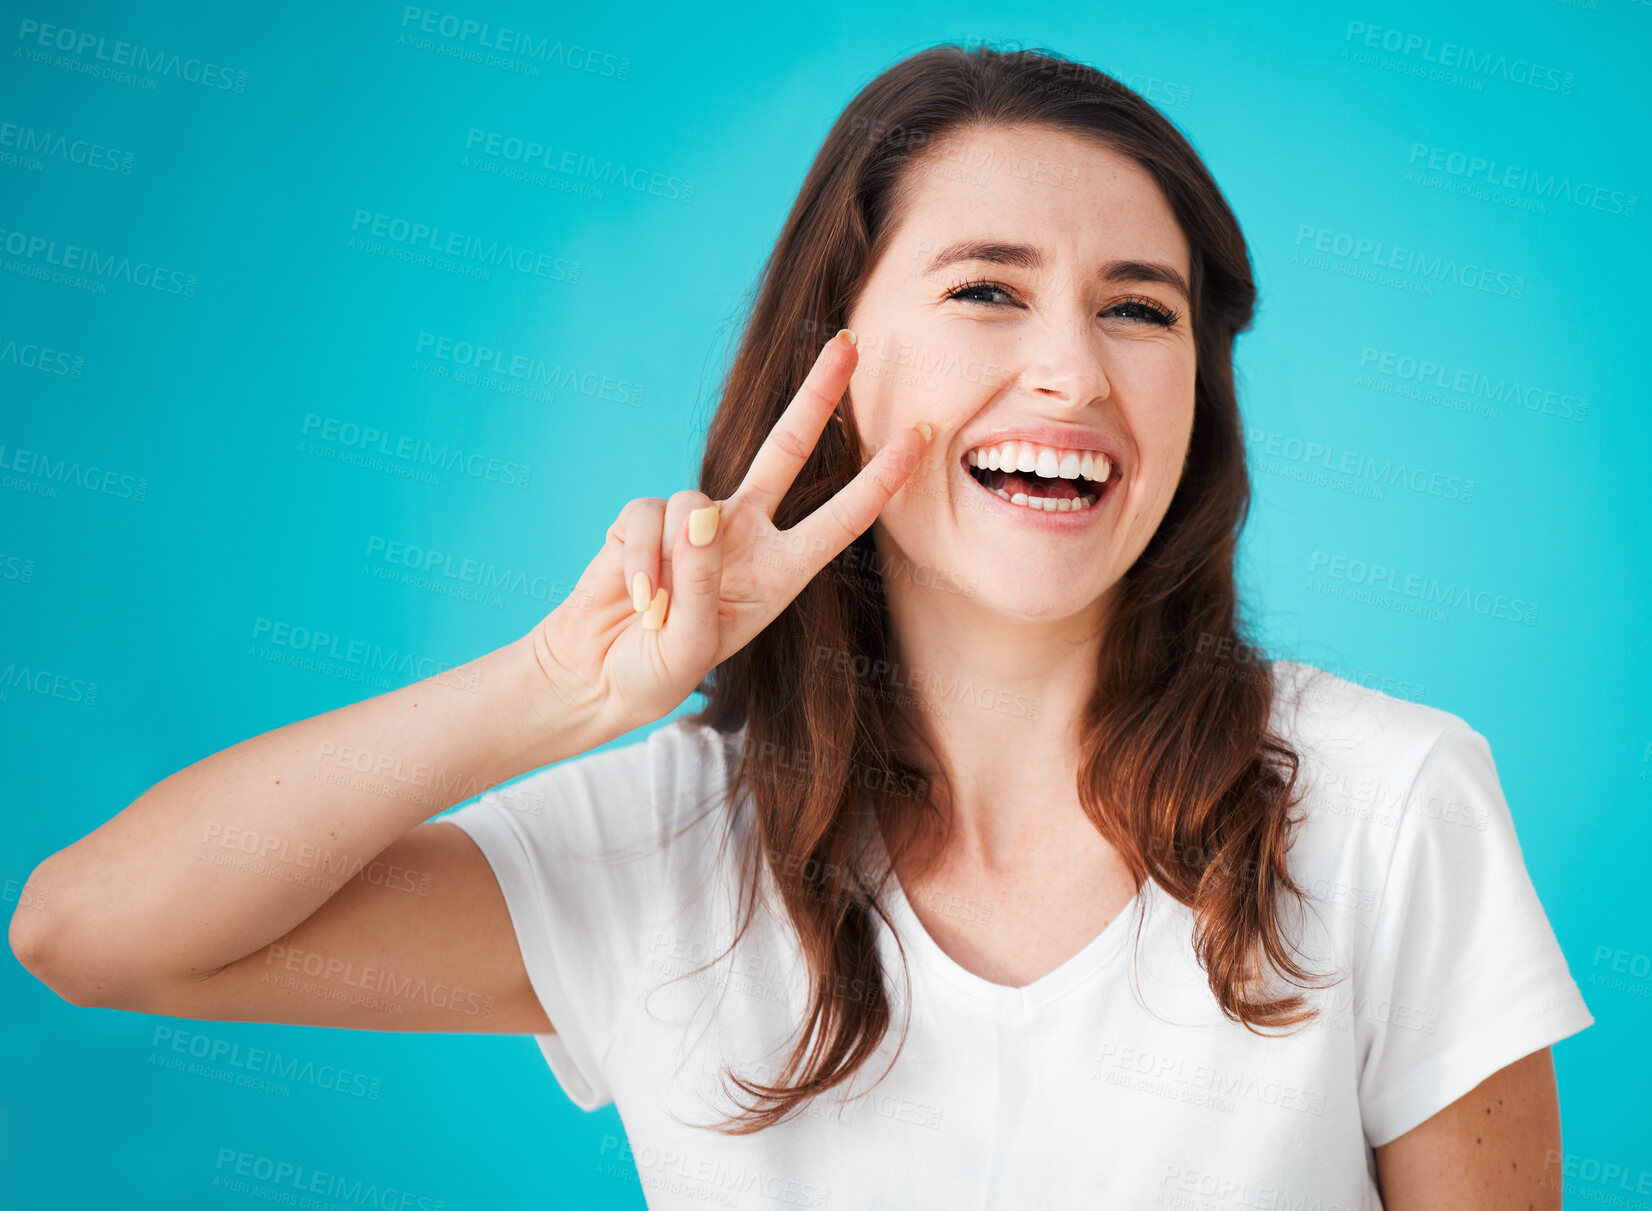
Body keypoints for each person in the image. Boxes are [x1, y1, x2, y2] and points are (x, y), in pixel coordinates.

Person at [11, 43, 1591, 1210]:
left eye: (1139, 307)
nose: (1076, 377)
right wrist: (556, 693)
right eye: (987, 290)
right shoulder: (663, 849)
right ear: (829, 376)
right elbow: (88, 934)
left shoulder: (1391, 803)